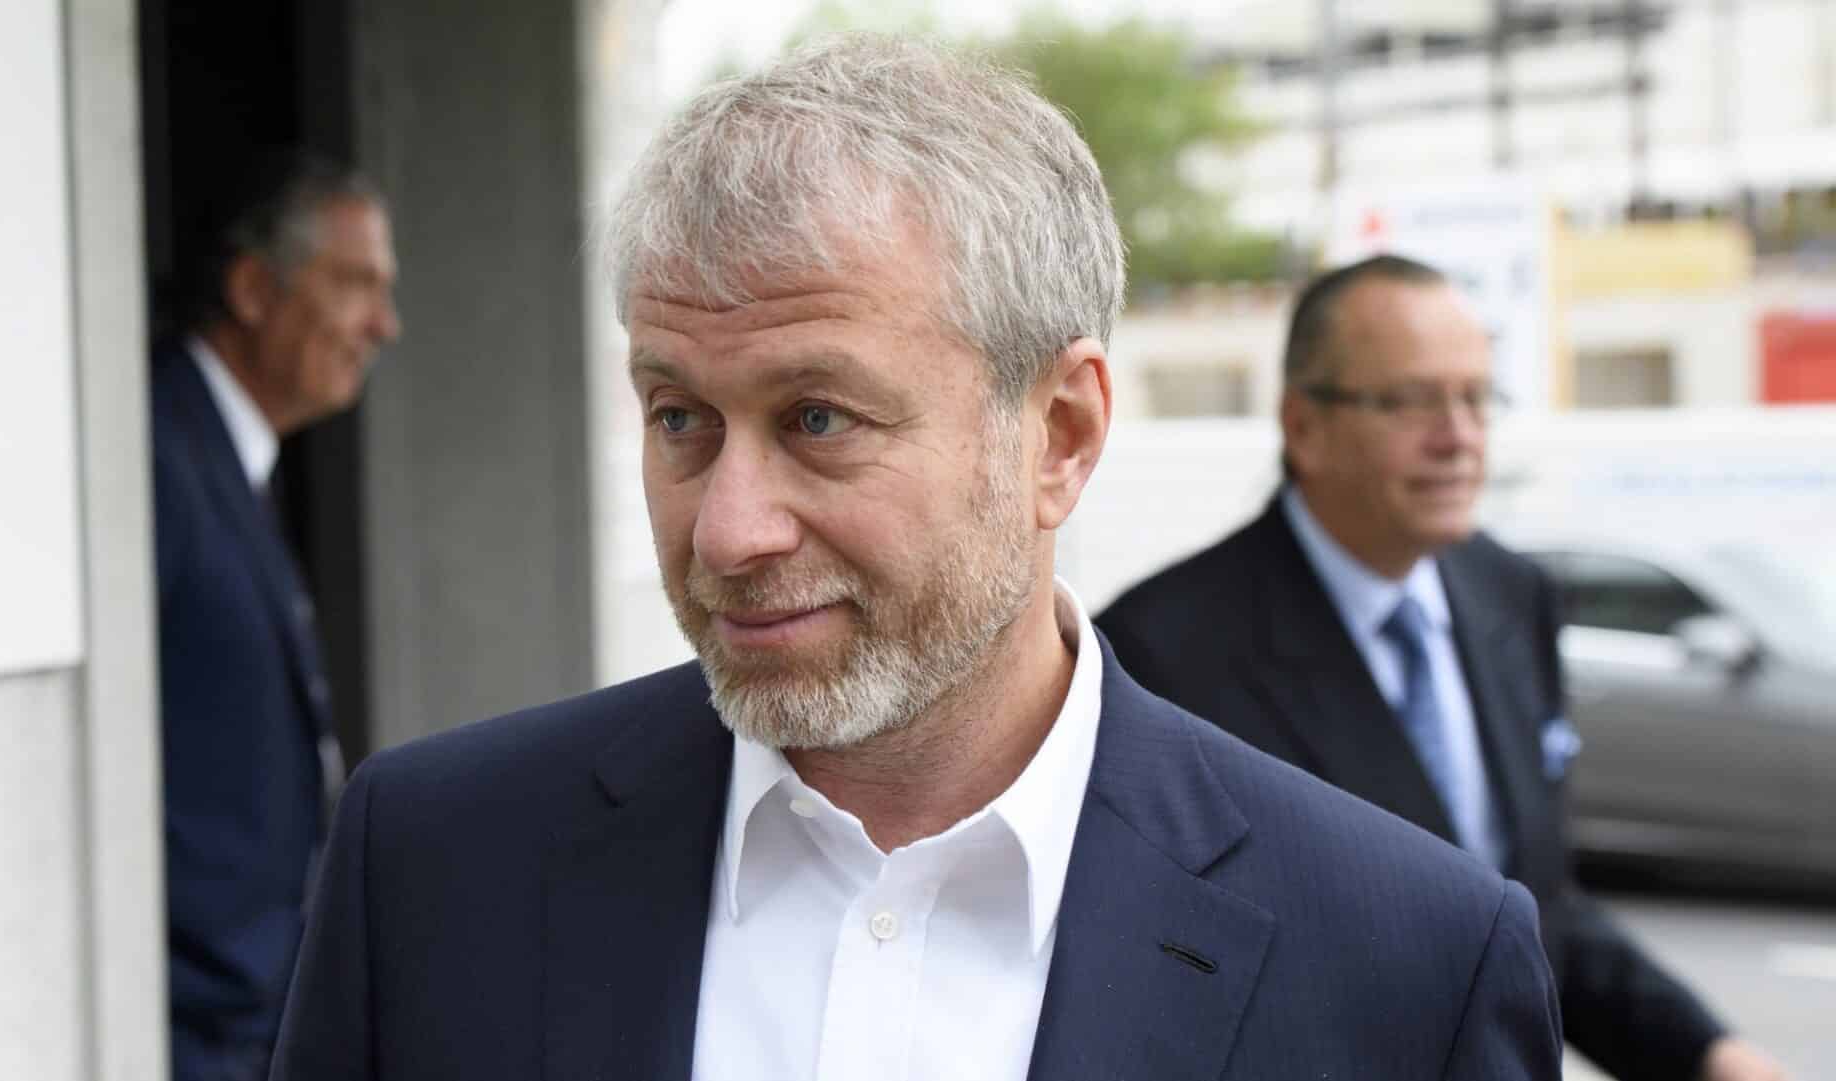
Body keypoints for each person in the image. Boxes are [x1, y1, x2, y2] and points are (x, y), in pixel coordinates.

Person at [269, 38, 1559, 1080]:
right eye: (680, 419)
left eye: (820, 419)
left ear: (1060, 434)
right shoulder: (434, 866)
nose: (727, 529)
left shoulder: (1410, 964)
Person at [1098, 254, 1787, 1081]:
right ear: (1304, 425)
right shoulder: (1160, 651)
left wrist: (1709, 1052)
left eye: (1475, 397)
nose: (1459, 437)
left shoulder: (1511, 595)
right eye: (1413, 400)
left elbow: (1532, 904)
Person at [152, 151, 401, 1081]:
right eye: (356, 285)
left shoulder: (224, 451)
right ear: (254, 288)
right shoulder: (156, 452)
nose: (384, 324)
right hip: (195, 1027)